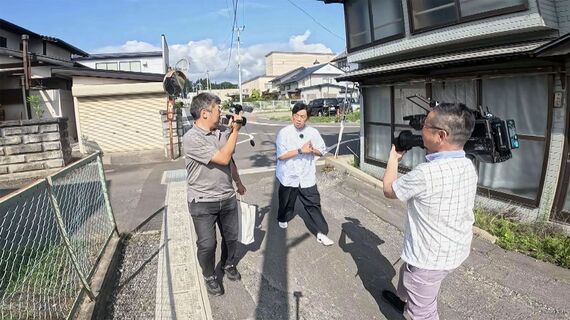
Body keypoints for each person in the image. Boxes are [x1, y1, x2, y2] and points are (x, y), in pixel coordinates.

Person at [381, 102, 478, 319]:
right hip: (455, 247)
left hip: (429, 259)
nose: (420, 130)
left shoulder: (425, 174)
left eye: (425, 125)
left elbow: (389, 190)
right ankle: (403, 299)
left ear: (441, 136)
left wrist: (393, 158)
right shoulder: (468, 164)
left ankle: (412, 307)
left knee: (423, 312)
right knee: (408, 271)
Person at [183, 92, 247, 296]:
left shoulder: (221, 131)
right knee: (207, 244)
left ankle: (228, 265)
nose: (221, 114)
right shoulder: (191, 138)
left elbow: (230, 160)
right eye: (218, 110)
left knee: (231, 238)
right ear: (204, 113)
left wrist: (238, 182)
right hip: (202, 201)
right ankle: (209, 275)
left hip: (227, 197)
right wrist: (235, 131)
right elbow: (222, 157)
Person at [275, 102, 334, 246]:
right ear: (292, 116)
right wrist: (301, 150)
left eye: (302, 116)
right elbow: (281, 156)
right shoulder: (284, 133)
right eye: (296, 115)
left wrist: (313, 150)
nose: (299, 119)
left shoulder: (312, 132)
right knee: (286, 201)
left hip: (306, 176)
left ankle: (321, 232)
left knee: (313, 203)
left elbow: (322, 150)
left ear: (307, 118)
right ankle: (282, 218)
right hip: (288, 175)